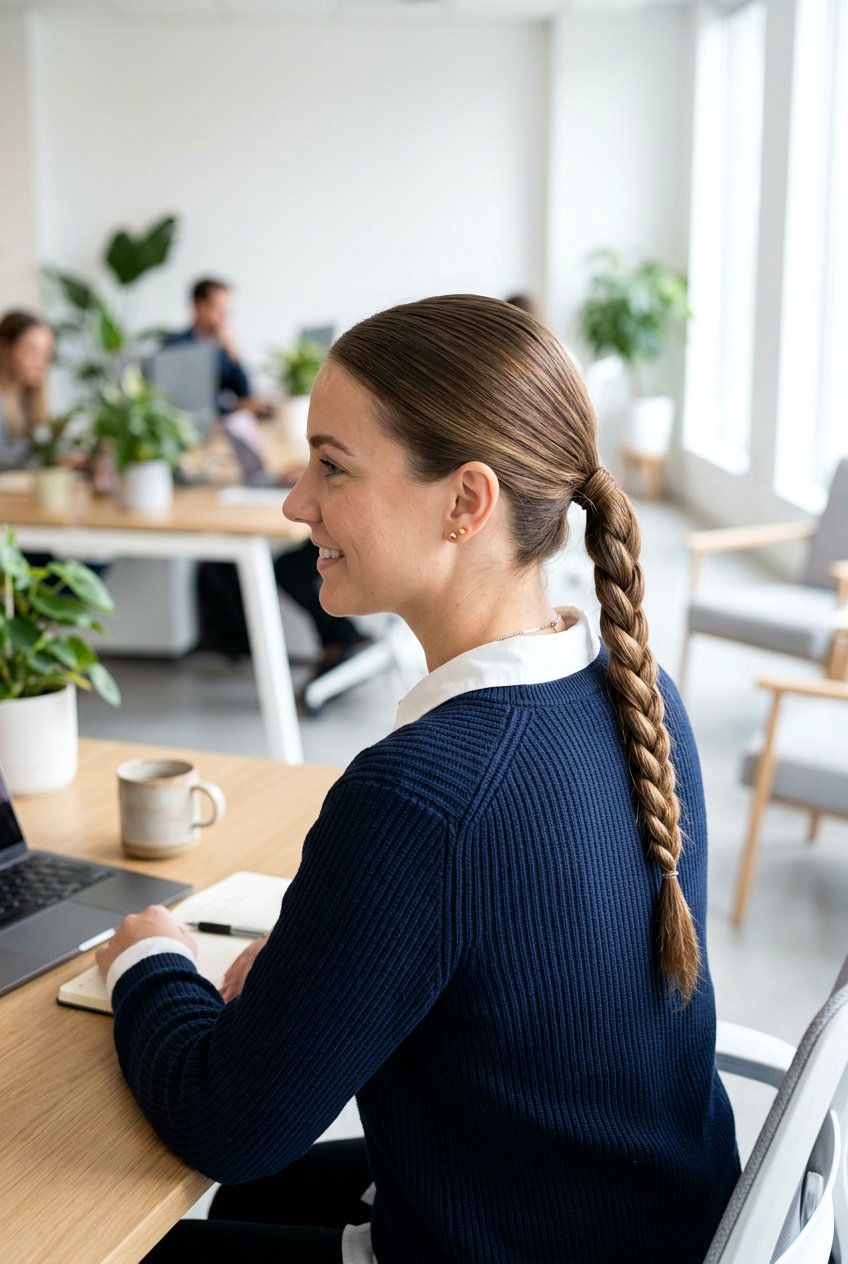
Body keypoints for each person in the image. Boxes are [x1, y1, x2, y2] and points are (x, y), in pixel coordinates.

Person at [96, 295, 739, 1264]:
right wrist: (324, 957)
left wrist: (148, 960)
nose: (294, 501)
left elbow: (227, 1124)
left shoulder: (419, 798)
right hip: (634, 1216)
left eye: (332, 466)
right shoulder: (637, 694)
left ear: (465, 501)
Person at [171, 280, 369, 679]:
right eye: (219, 311)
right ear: (197, 307)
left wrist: (231, 350)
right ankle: (333, 637)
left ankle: (340, 637)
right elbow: (196, 406)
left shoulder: (217, 348)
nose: (225, 320)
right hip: (199, 449)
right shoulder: (179, 349)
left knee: (288, 559)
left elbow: (241, 391)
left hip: (222, 446)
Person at [0, 309, 54, 468]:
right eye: (32, 352)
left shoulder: (28, 401)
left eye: (45, 354)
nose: (41, 363)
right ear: (5, 350)